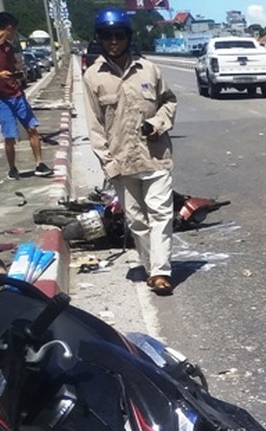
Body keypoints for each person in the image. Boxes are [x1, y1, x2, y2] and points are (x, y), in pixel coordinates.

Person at [82, 8, 179, 296]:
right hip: (121, 162)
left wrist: (158, 123)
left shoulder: (149, 70)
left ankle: (161, 272)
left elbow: (169, 102)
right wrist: (107, 163)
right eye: (107, 36)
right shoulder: (92, 77)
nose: (114, 41)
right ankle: (150, 268)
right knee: (137, 220)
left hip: (155, 157)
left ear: (128, 37)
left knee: (161, 213)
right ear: (99, 38)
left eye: (119, 35)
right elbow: (95, 126)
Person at [0, 12, 52, 180]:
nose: (14, 34)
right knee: (10, 135)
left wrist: (17, 74)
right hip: (0, 98)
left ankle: (39, 164)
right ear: (8, 28)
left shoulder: (8, 47)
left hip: (17, 94)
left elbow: (12, 67)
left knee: (32, 128)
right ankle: (12, 168)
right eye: (14, 30)